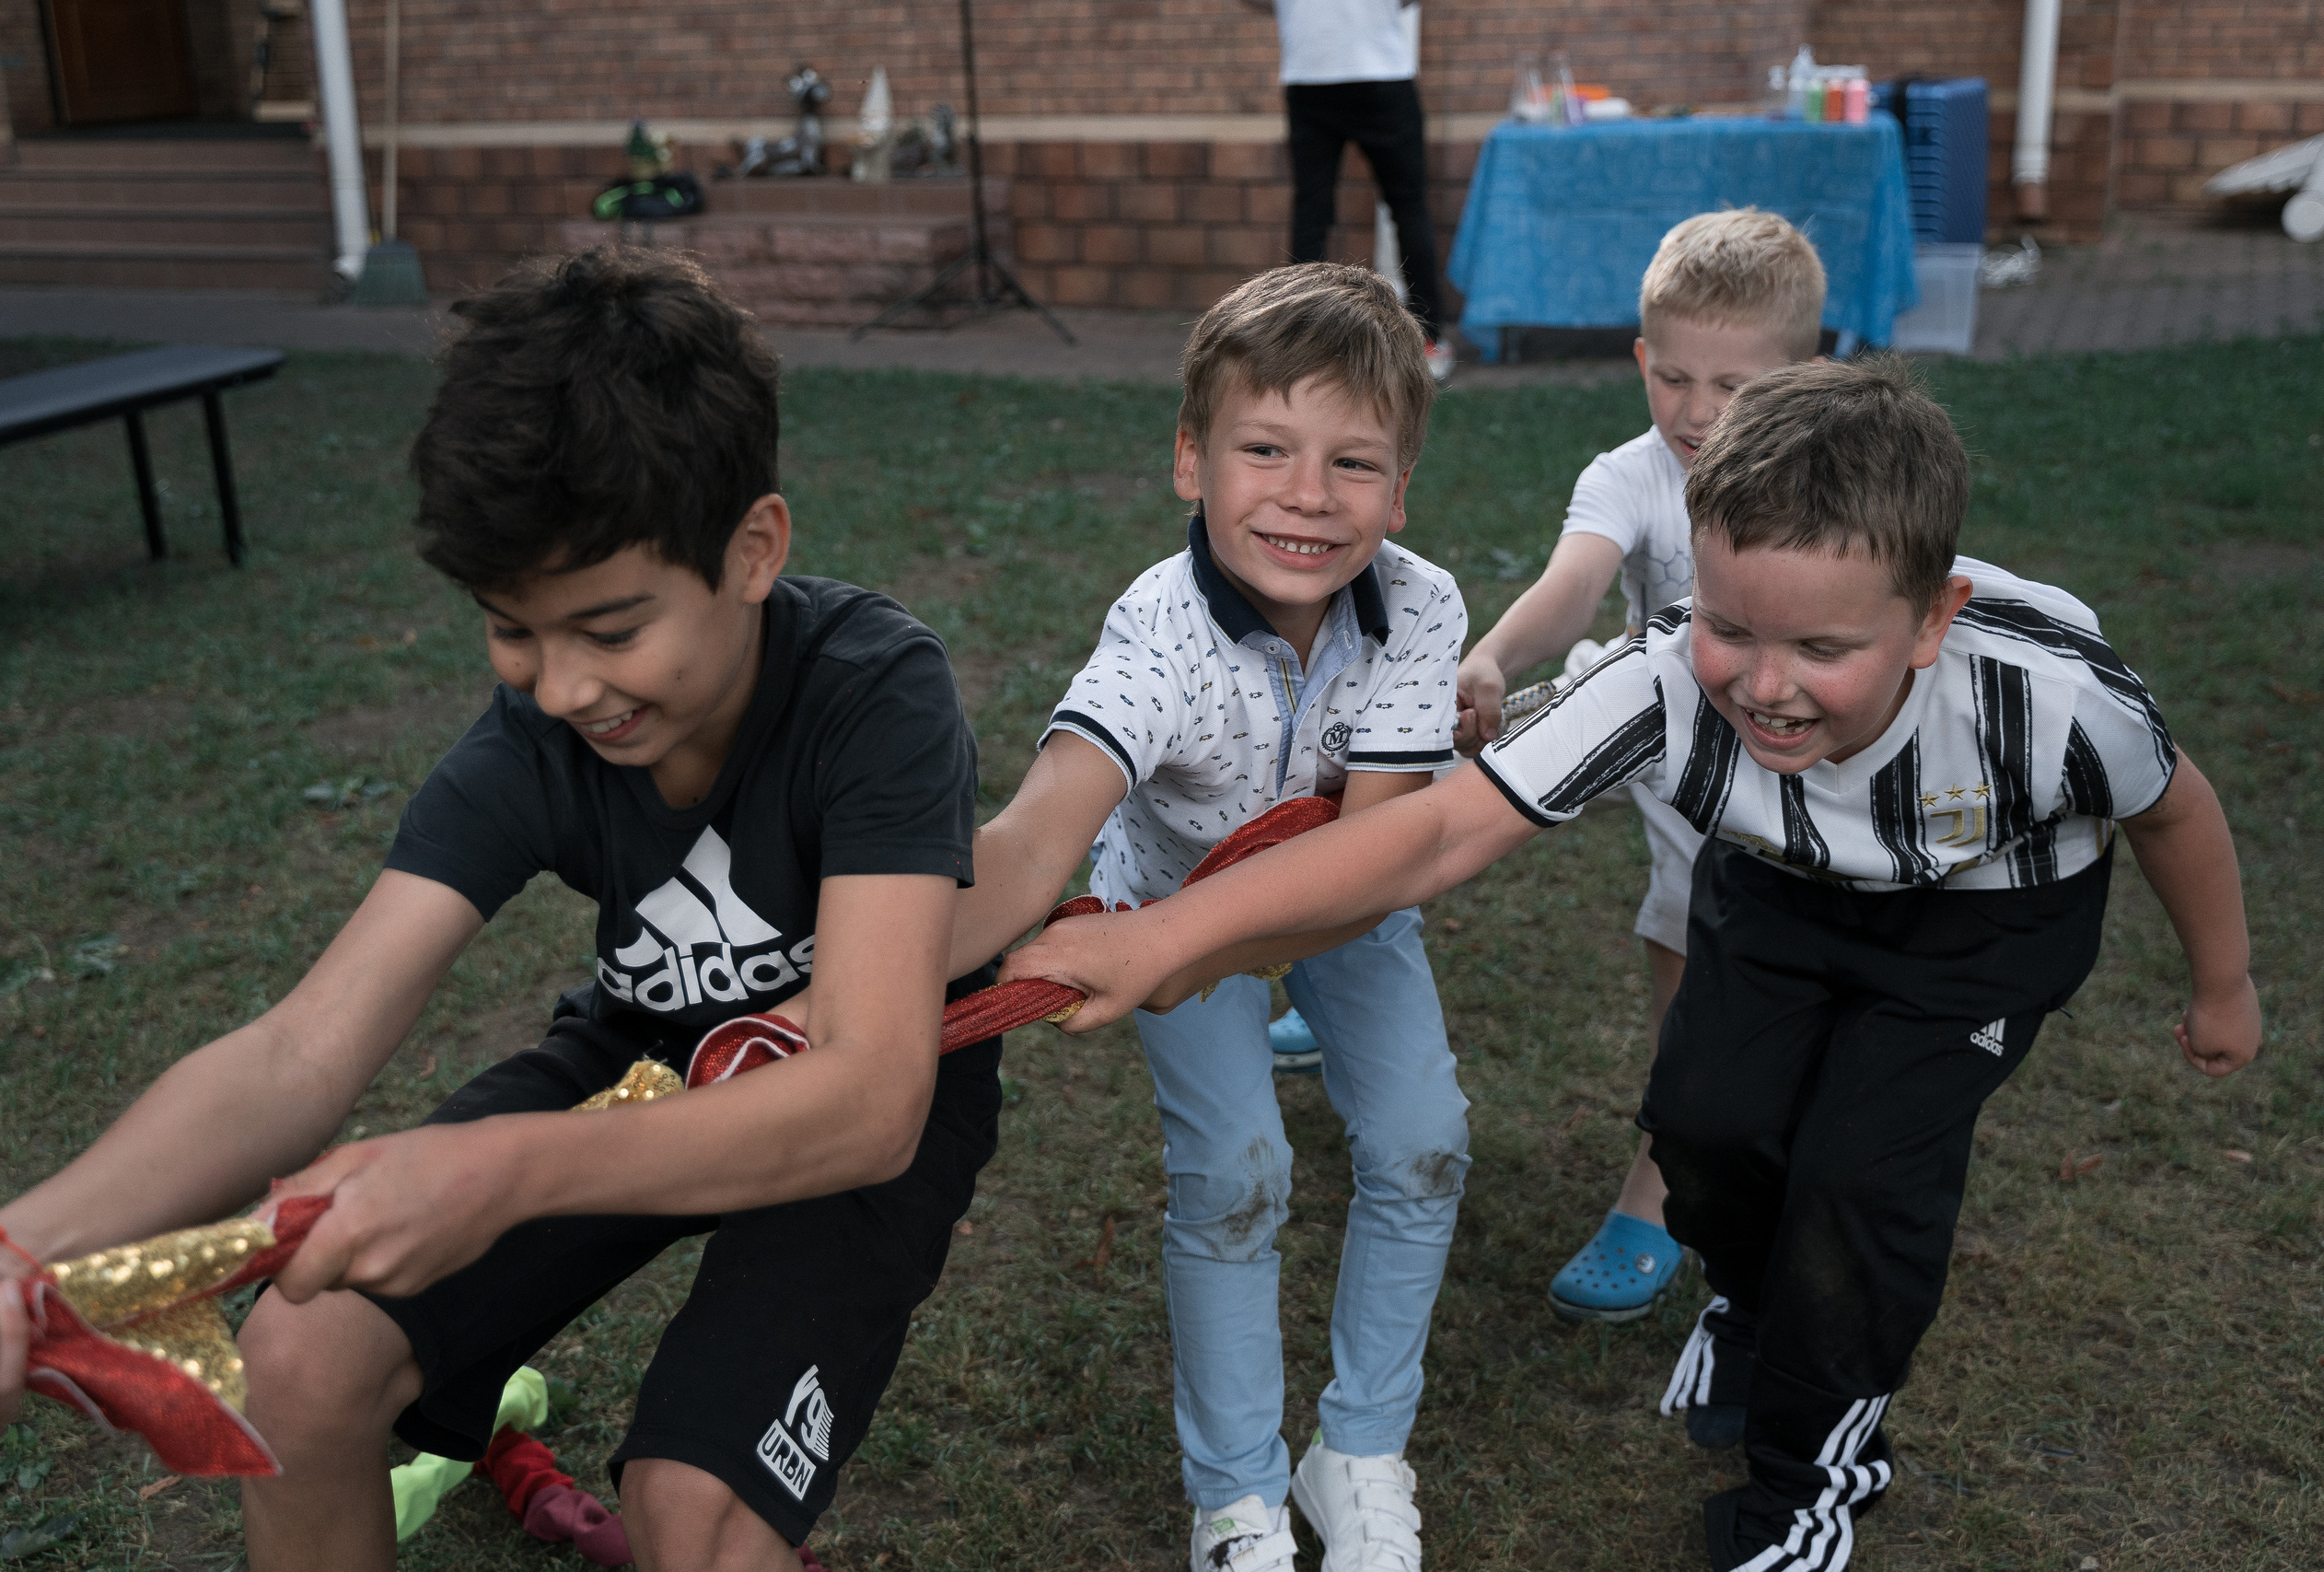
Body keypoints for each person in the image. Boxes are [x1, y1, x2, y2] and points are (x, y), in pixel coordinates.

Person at [1004, 357, 2260, 1572]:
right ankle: (1751, 1305)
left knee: (1860, 1179)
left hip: (1980, 921)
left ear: (1934, 617)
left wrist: (2225, 985)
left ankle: (1809, 1481)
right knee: (1704, 1127)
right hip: (1784, 881)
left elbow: (2175, 813)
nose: (1765, 685)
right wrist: (1164, 932)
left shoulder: (2048, 701)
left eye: (1821, 649)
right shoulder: (1664, 682)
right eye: (1729, 626)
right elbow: (1432, 832)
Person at [0, 247, 1004, 1572]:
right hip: (644, 1054)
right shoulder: (535, 741)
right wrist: (11, 1252)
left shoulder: (872, 686)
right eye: (513, 628)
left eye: (610, 630)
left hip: (859, 1090)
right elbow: (300, 1049)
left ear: (754, 549)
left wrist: (499, 1171)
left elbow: (867, 1098)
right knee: (297, 1358)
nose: (561, 687)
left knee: (692, 1517)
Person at [943, 262, 1467, 1572]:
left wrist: (1203, 950)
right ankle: (1236, 1496)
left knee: (1424, 1142)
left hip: (1341, 900)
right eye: (1264, 448)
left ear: (1400, 490)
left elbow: (1374, 860)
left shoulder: (1423, 606)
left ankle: (1359, 1451)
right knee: (1236, 1174)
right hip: (1163, 904)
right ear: (1191, 458)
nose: (1308, 494)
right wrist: (886, 961)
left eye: (1354, 463)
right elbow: (1038, 837)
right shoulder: (1157, 634)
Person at [1450, 208, 1827, 1325]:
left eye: (1732, 386)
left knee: (1716, 954)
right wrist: (1494, 655)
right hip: (1649, 717)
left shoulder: (1836, 475)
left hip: (1769, 755)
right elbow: (1574, 584)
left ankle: (1675, 1181)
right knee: (1436, 777)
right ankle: (1349, 972)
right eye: (1671, 378)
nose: (1696, 413)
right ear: (1639, 359)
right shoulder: (1631, 473)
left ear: (1802, 375)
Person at [1241, 0, 1452, 380]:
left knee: (1311, 211)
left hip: (1311, 69)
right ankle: (1427, 341)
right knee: (1408, 207)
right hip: (1380, 71)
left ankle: (1300, 340)